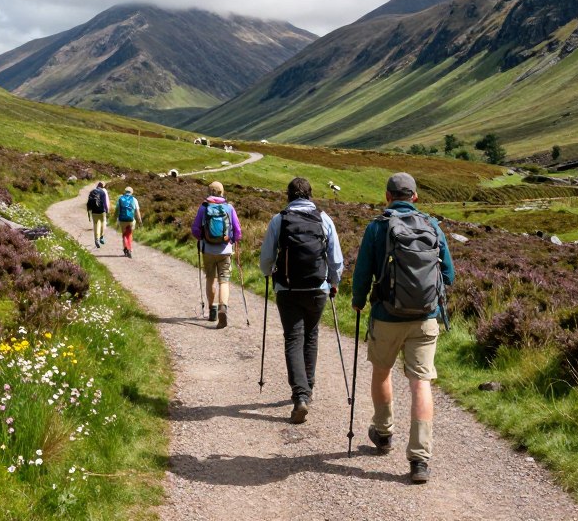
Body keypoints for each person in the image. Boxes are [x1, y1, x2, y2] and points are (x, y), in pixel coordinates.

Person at [351, 172, 454, 484]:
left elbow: (362, 272)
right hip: (425, 317)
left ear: (387, 196)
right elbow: (448, 275)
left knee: (382, 371)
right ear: (415, 197)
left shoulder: (378, 227)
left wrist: (357, 300)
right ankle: (420, 459)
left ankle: (383, 434)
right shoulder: (433, 226)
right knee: (420, 383)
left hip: (386, 316)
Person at [259, 177, 343, 423]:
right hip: (318, 287)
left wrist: (268, 274)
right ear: (310, 195)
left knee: (293, 338)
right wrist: (334, 282)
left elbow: (266, 257)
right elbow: (335, 259)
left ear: (288, 195)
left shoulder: (279, 219)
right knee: (312, 335)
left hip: (287, 288)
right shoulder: (324, 219)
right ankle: (309, 387)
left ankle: (300, 396)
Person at [191, 180, 242, 328]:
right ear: (222, 192)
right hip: (225, 251)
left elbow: (195, 229)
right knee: (224, 281)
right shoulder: (229, 208)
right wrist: (231, 240)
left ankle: (212, 310)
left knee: (210, 279)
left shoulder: (203, 207)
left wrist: (202, 238)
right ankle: (223, 308)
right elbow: (238, 232)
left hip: (207, 250)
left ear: (209, 192)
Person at [113, 186, 143, 258]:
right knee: (129, 233)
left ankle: (125, 248)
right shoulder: (134, 199)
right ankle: (129, 248)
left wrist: (114, 219)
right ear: (132, 192)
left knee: (124, 234)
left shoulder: (120, 199)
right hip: (130, 220)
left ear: (125, 192)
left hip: (122, 220)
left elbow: (117, 210)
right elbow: (137, 212)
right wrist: (140, 221)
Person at [86, 181, 110, 248]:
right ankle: (101, 237)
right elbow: (105, 203)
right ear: (103, 186)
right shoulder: (103, 192)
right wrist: (107, 211)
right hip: (101, 211)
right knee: (103, 224)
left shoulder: (92, 192)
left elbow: (89, 202)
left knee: (96, 225)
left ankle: (96, 239)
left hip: (94, 212)